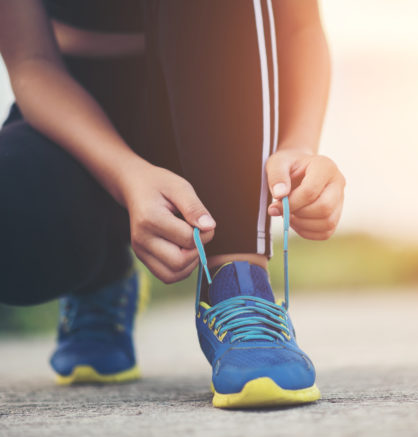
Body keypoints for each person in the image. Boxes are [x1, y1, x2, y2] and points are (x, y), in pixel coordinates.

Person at [0, 0, 345, 408]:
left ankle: (239, 283)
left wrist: (298, 148)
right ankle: (102, 274)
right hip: (77, 109)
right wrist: (127, 175)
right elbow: (31, 61)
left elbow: (299, 27)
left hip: (218, 101)